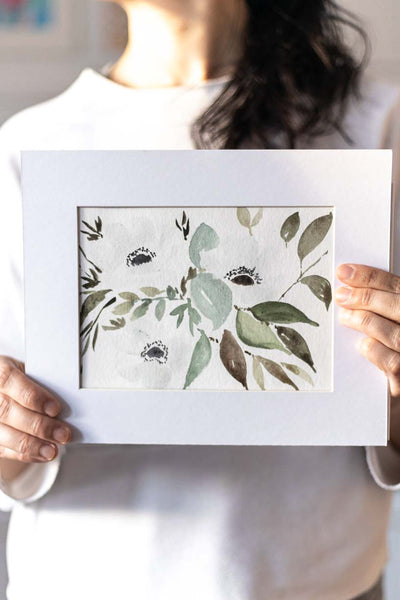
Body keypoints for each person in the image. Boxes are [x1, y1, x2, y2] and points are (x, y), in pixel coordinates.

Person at [0, 0, 399, 598]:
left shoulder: (377, 124)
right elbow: (14, 450)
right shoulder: (28, 144)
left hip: (322, 583)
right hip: (82, 580)